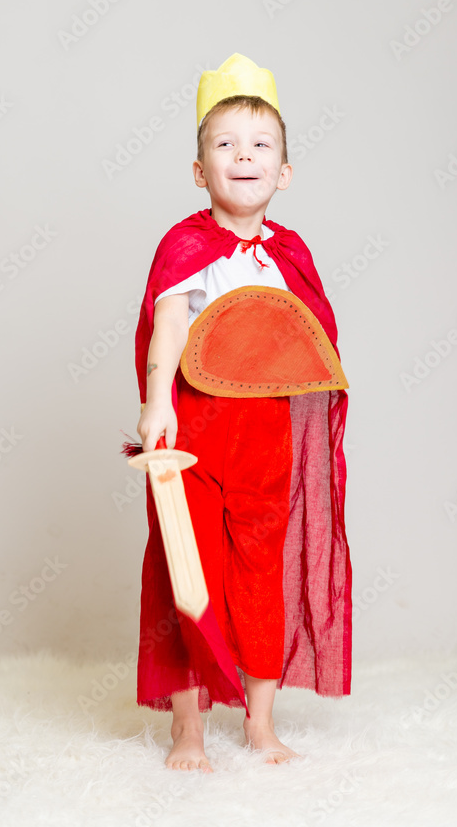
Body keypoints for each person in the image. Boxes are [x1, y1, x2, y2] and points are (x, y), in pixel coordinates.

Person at [132, 53, 352, 772]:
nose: (243, 156)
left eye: (260, 146)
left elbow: (314, 350)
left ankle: (260, 723)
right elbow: (166, 326)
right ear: (201, 170)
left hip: (267, 441)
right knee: (183, 573)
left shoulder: (290, 255)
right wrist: (157, 401)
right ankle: (187, 729)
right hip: (193, 433)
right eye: (224, 144)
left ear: (283, 172)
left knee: (262, 575)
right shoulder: (186, 246)